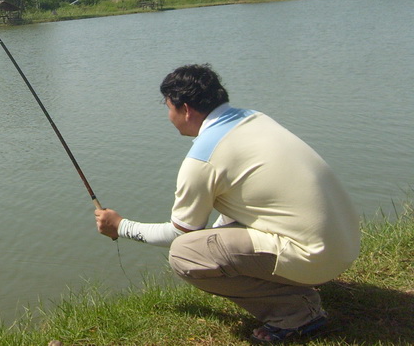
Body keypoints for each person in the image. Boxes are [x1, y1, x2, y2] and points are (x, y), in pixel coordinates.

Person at [95, 64, 360, 343]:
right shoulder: (255, 118)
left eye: (168, 107)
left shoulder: (203, 159)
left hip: (318, 258)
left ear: (185, 109)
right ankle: (299, 279)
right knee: (219, 231)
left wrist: (120, 226)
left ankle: (297, 313)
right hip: (345, 244)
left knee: (185, 254)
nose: (168, 116)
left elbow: (179, 233)